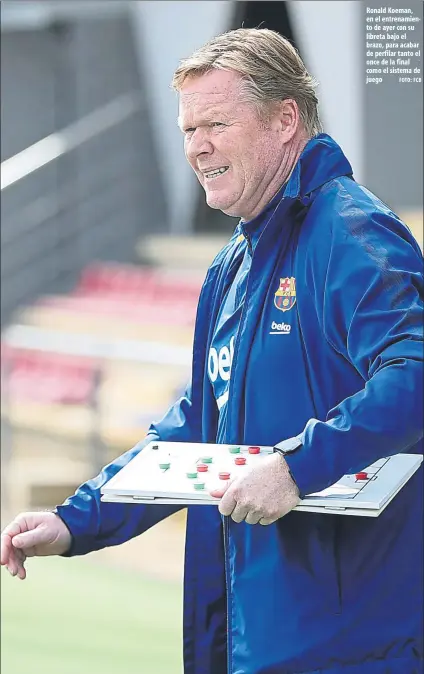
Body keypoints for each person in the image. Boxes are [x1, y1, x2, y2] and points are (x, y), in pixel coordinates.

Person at [1, 27, 423, 674]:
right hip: (256, 643)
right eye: (187, 130)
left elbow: (414, 375)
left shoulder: (353, 234)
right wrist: (76, 521)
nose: (197, 147)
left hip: (355, 649)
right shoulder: (232, 267)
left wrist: (295, 468)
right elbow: (194, 429)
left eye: (215, 124)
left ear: (285, 120)